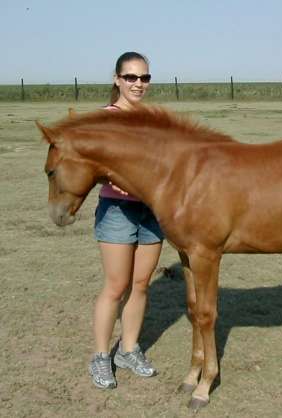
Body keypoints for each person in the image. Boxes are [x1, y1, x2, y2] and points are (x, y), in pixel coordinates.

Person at [88, 51, 164, 389]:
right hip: (118, 211)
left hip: (152, 212)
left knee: (141, 284)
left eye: (144, 78)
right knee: (116, 286)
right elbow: (91, 165)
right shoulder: (106, 118)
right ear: (117, 79)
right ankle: (101, 356)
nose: (138, 84)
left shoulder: (154, 120)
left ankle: (129, 350)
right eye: (131, 77)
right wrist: (110, 178)